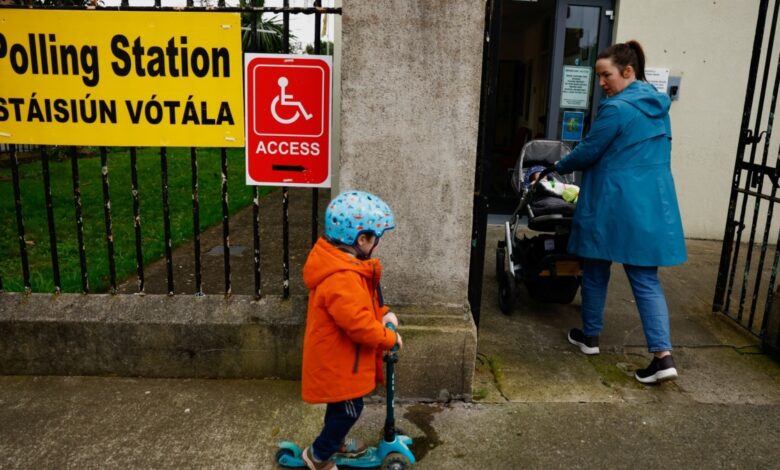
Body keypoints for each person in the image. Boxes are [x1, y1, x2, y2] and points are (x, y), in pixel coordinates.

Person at [553, 40, 687, 384]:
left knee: (596, 266)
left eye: (605, 75)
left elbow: (588, 152)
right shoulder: (658, 106)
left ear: (628, 71)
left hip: (613, 202)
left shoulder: (616, 109)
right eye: (599, 76)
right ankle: (662, 355)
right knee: (645, 279)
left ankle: (591, 337)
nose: (601, 83)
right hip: (651, 204)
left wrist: (556, 166)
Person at [300, 190, 403, 469]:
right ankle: (319, 455)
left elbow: (363, 307)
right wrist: (389, 337)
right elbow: (358, 325)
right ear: (361, 239)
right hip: (338, 363)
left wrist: (383, 313)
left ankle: (337, 441)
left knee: (340, 409)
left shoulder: (348, 266)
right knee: (349, 410)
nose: (377, 245)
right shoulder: (341, 277)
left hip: (344, 359)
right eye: (376, 239)